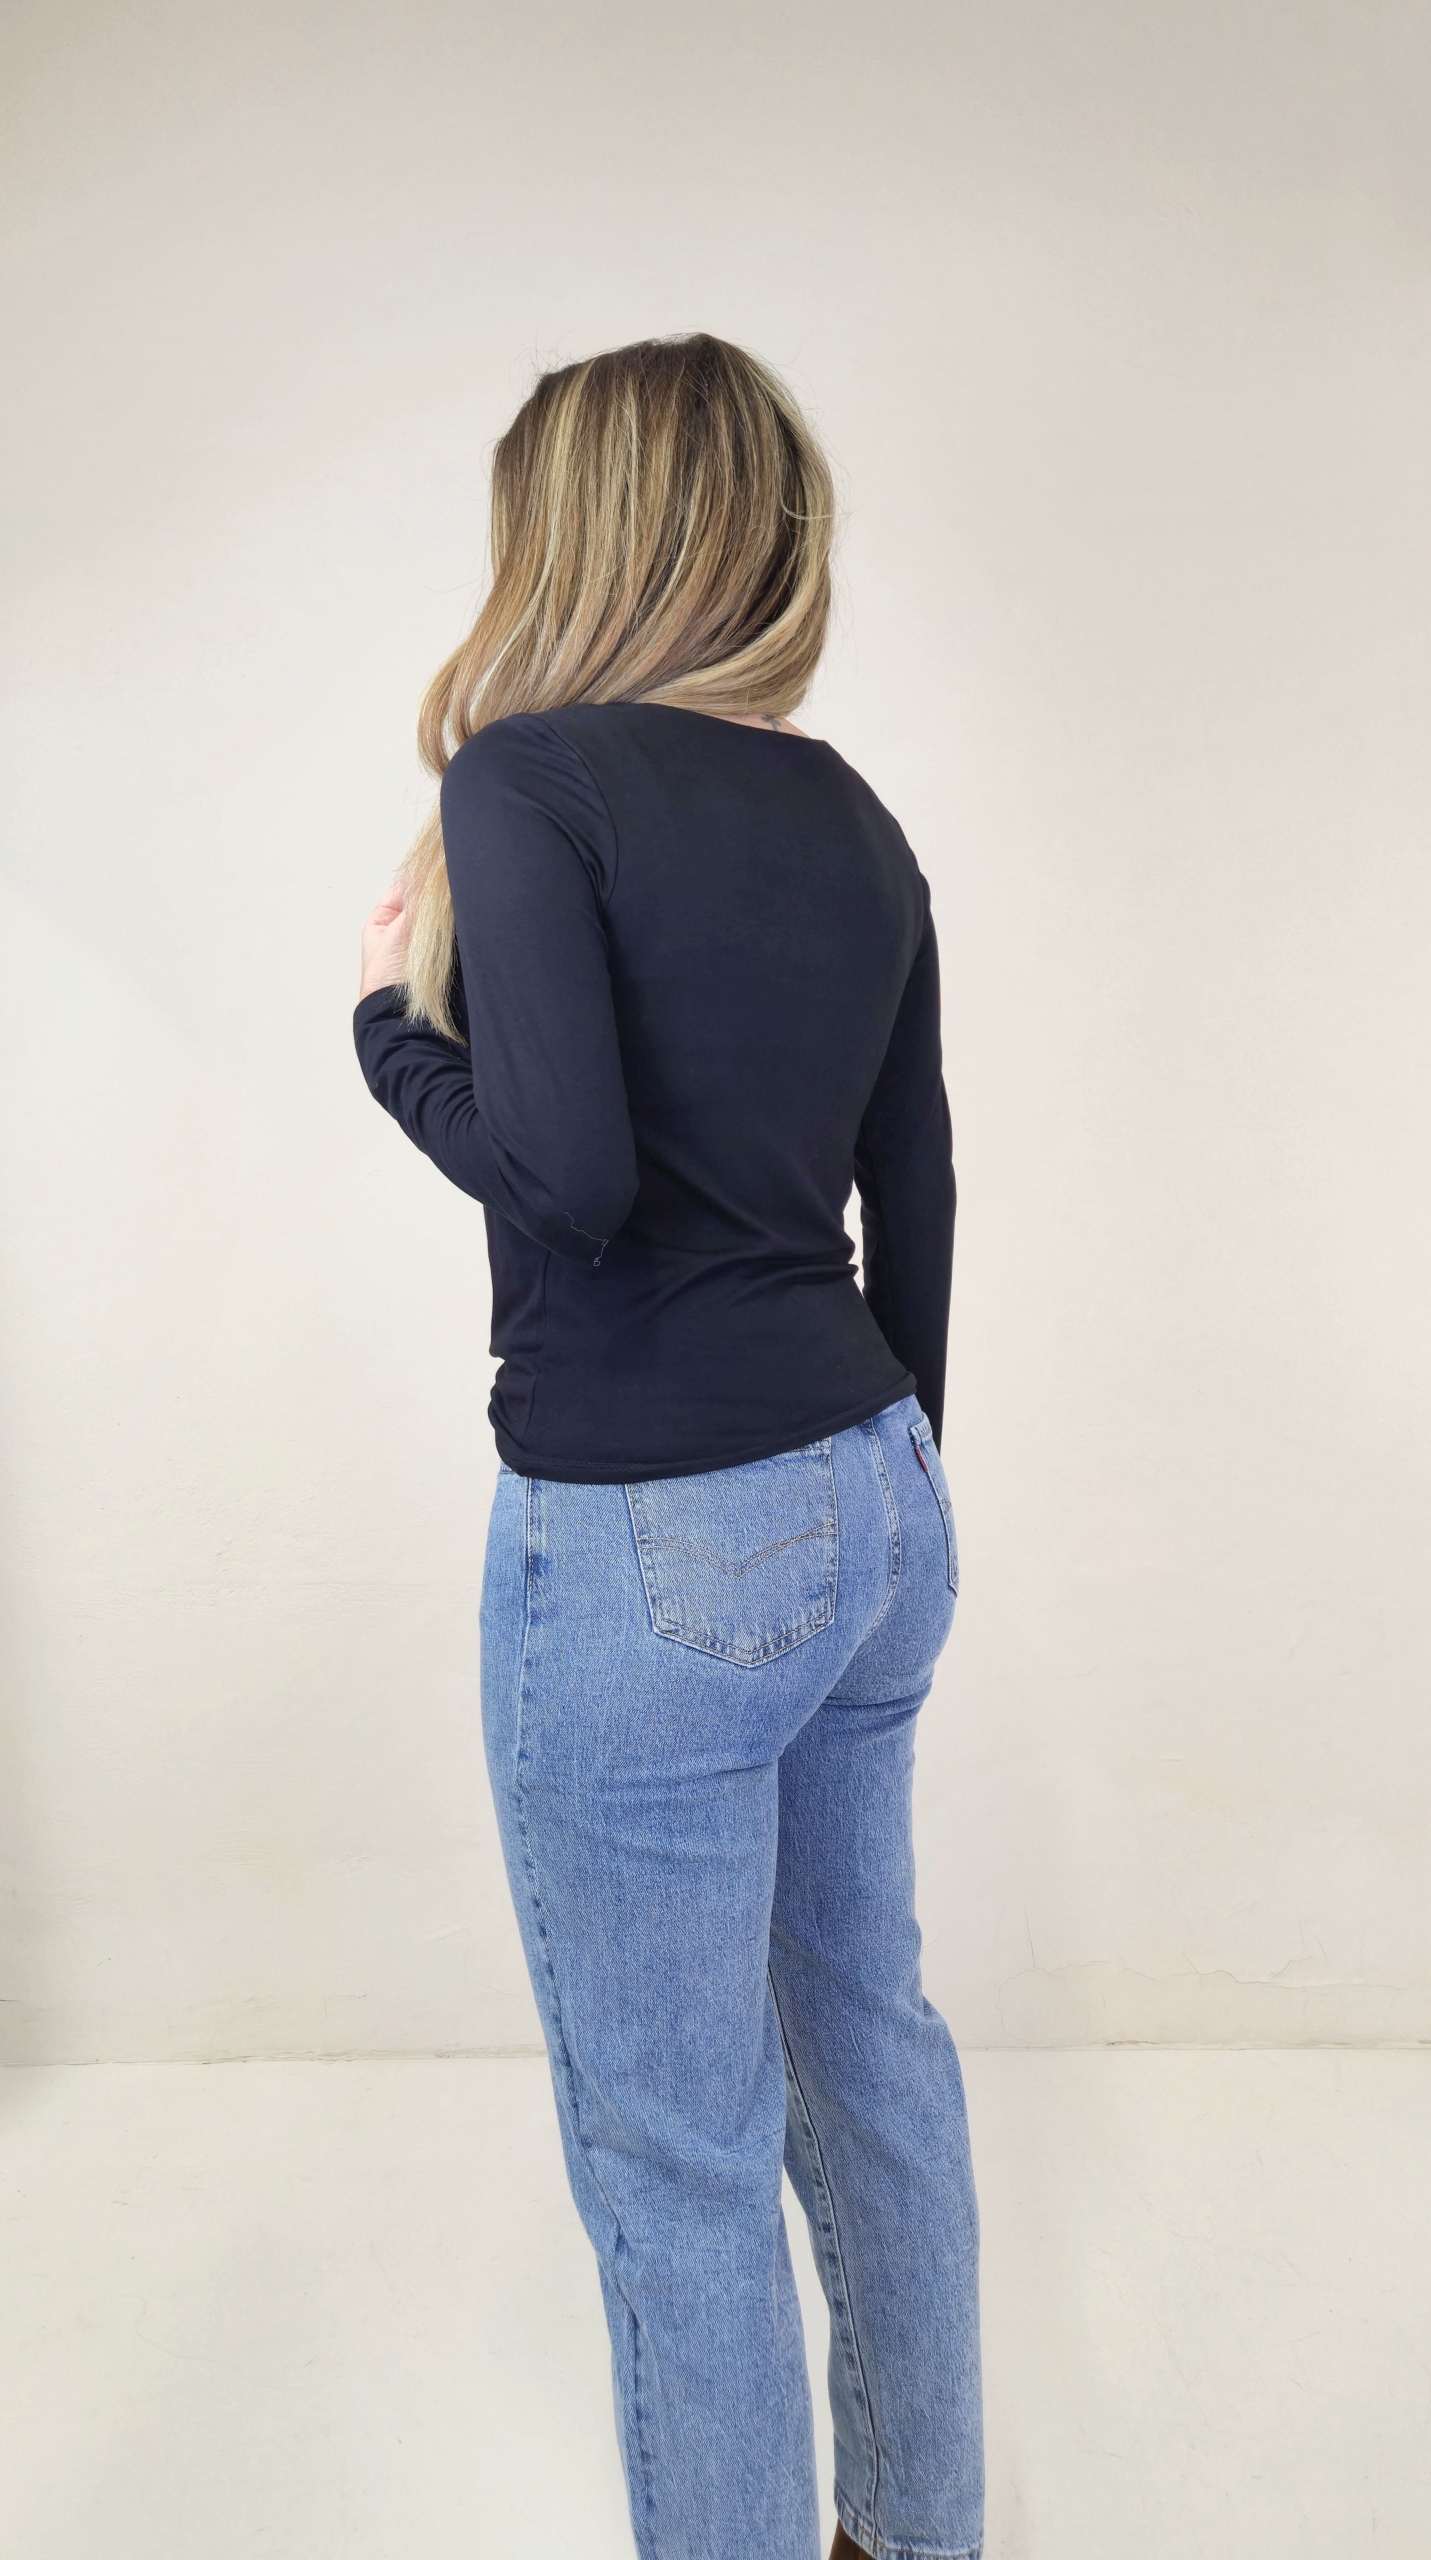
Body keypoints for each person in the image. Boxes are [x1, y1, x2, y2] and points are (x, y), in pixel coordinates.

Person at [354, 333, 983, 2560]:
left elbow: (572, 1177)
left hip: (652, 1532)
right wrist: (890, 1478)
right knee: (871, 2061)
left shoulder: (525, 781)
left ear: (573, 535)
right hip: (873, 1482)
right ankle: (917, 2535)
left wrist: (384, 1033)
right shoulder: (854, 814)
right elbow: (915, 1190)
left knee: (679, 2156)